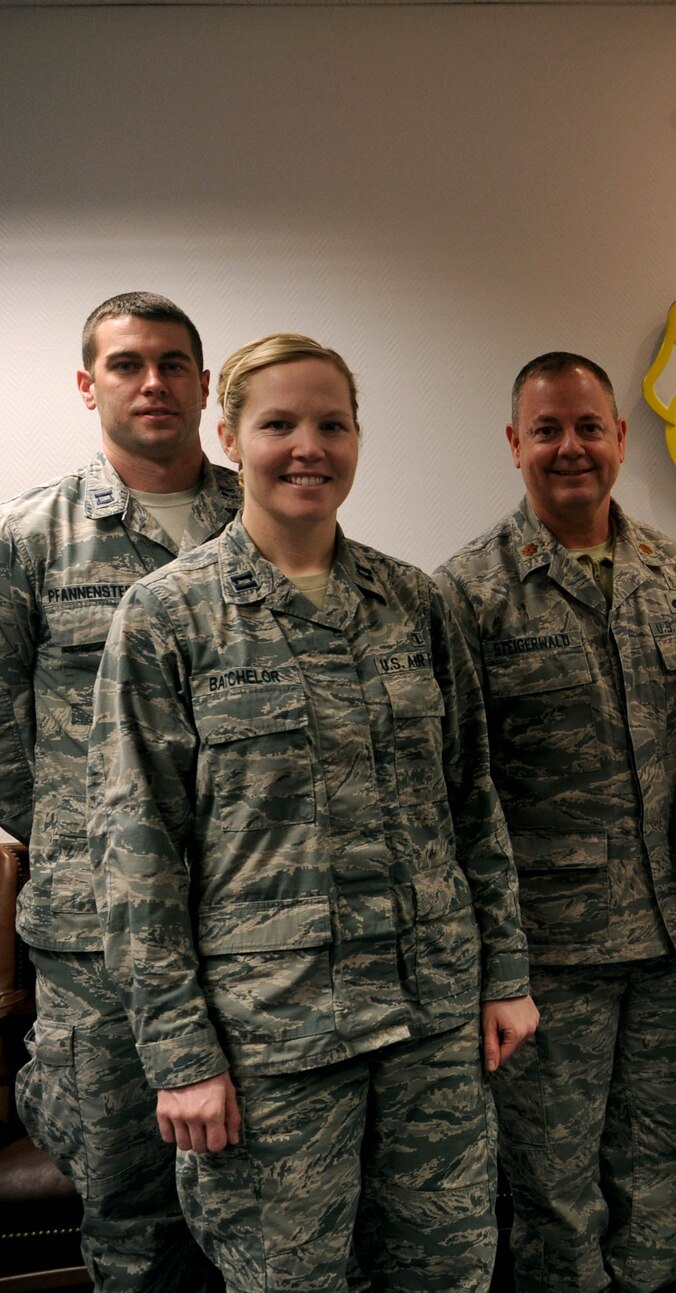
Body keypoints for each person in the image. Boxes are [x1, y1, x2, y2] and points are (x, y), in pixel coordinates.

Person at [90, 333, 538, 1290]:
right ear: (230, 434)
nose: (309, 447)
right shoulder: (168, 615)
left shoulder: (413, 601)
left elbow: (472, 803)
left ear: (357, 439)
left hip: (431, 1024)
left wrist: (505, 975)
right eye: (279, 423)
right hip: (274, 1045)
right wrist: (180, 1056)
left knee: (450, 1272)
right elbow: (138, 857)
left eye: (332, 424)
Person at [435, 352, 676, 1291]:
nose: (571, 448)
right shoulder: (467, 594)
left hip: (674, 940)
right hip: (547, 957)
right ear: (515, 444)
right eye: (549, 429)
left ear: (621, 439)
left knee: (669, 1169)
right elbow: (451, 796)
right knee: (554, 1186)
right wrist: (491, 965)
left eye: (588, 427)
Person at [0, 291, 232, 1291]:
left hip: (243, 921)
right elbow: (2, 730)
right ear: (89, 384)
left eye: (175, 363)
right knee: (131, 1212)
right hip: (96, 936)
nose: (154, 383)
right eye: (130, 364)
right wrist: (76, 837)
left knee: (257, 1199)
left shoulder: (260, 514)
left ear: (205, 385)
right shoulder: (32, 539)